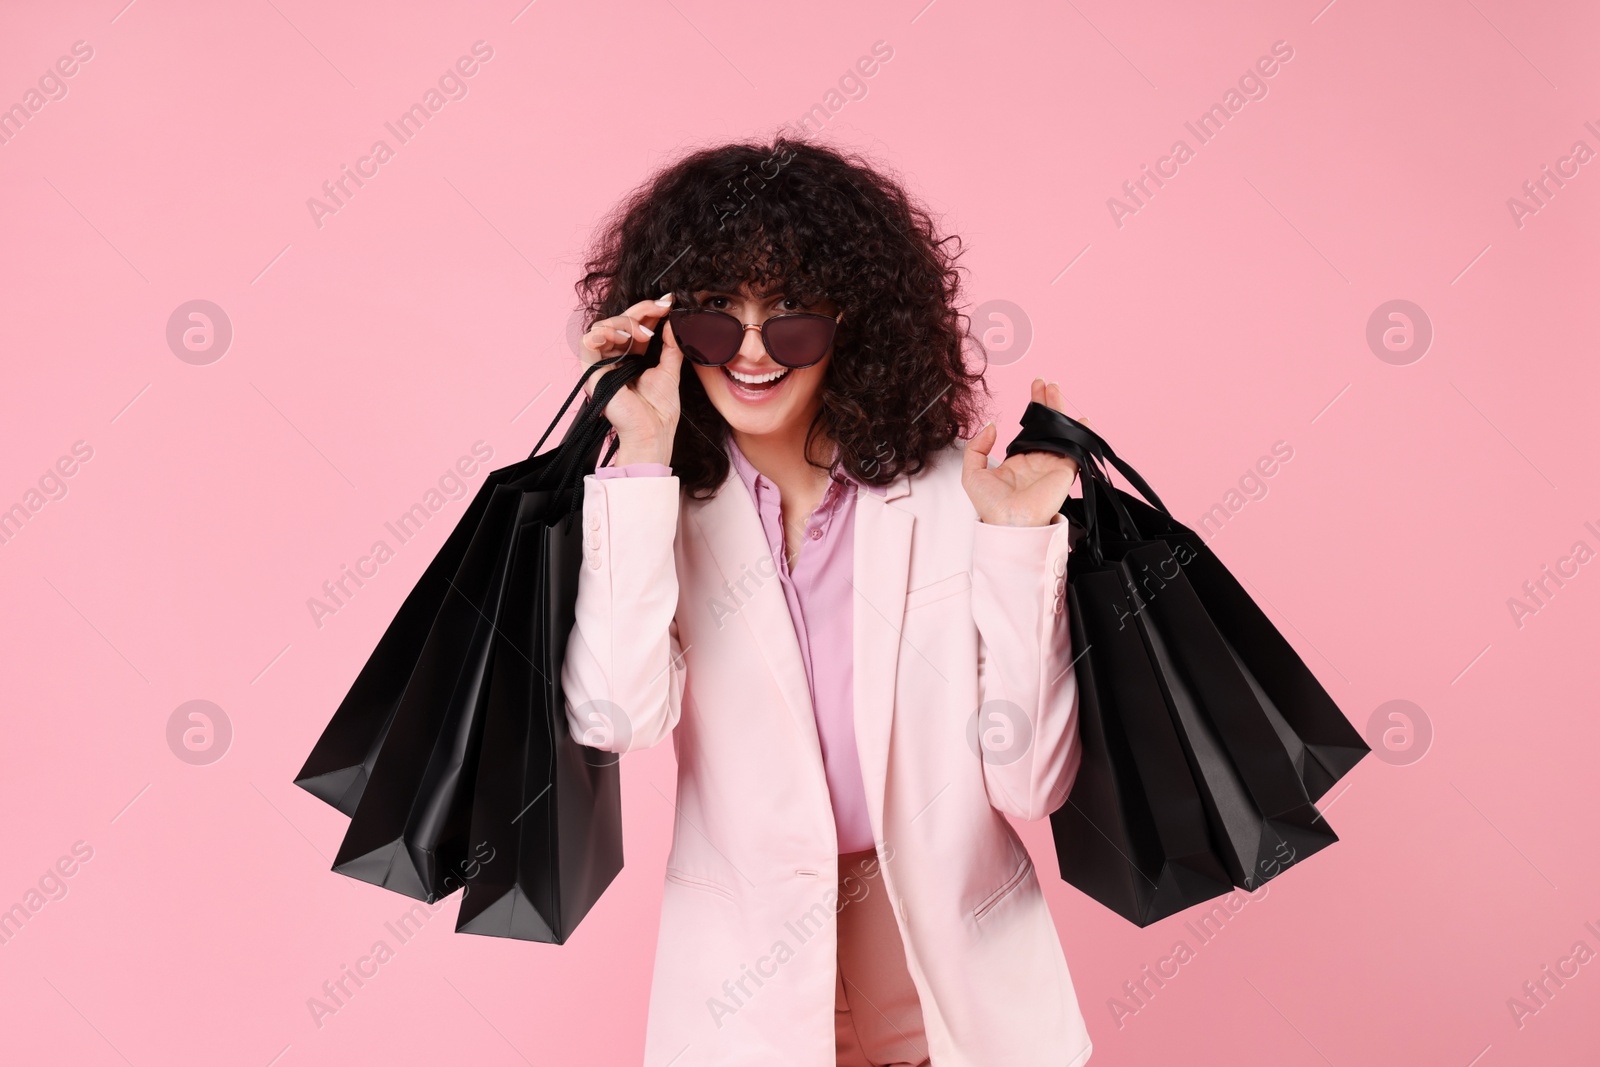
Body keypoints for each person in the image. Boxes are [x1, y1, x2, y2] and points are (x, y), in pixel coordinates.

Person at [562, 135, 1093, 1067]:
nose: (754, 352)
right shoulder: (660, 512)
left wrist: (1016, 549)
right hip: (751, 989)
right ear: (670, 327)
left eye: (792, 318)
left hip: (947, 978)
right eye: (717, 317)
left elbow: (1031, 782)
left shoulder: (953, 495)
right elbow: (617, 716)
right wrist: (640, 458)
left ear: (853, 323)